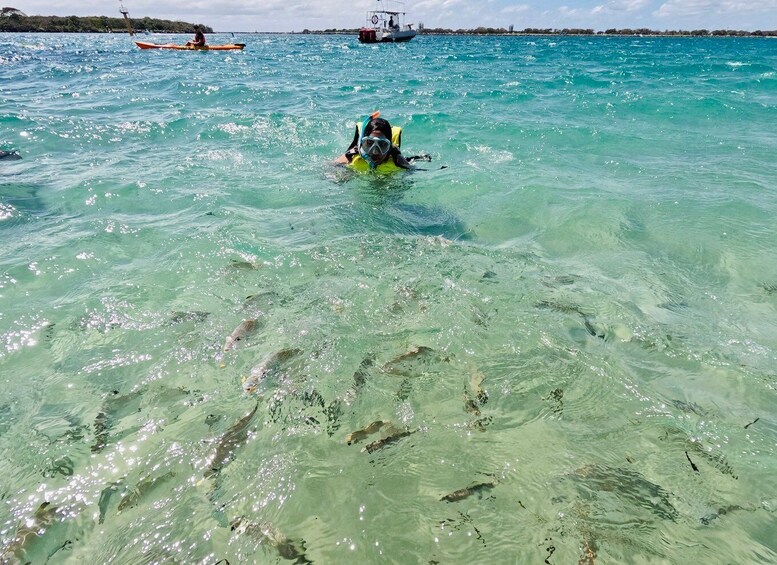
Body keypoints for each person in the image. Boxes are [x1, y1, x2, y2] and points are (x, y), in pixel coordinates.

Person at [335, 112, 411, 173]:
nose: (375, 152)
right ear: (362, 143)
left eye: (382, 145)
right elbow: (332, 166)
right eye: (369, 143)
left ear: (389, 146)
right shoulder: (352, 155)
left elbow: (412, 171)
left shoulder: (397, 160)